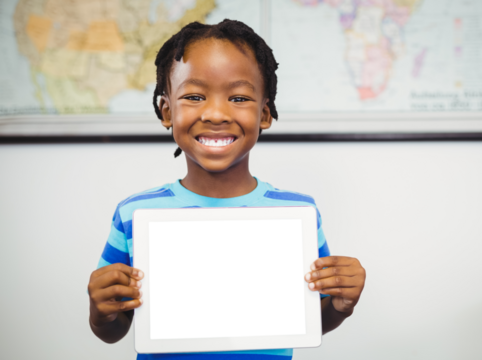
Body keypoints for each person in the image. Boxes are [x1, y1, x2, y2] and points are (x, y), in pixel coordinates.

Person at [87, 19, 366, 359]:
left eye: (238, 97)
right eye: (194, 96)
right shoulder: (134, 213)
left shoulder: (298, 213)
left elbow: (308, 319)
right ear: (166, 111)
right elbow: (115, 328)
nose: (216, 113)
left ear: (264, 114)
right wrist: (101, 311)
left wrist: (341, 304)